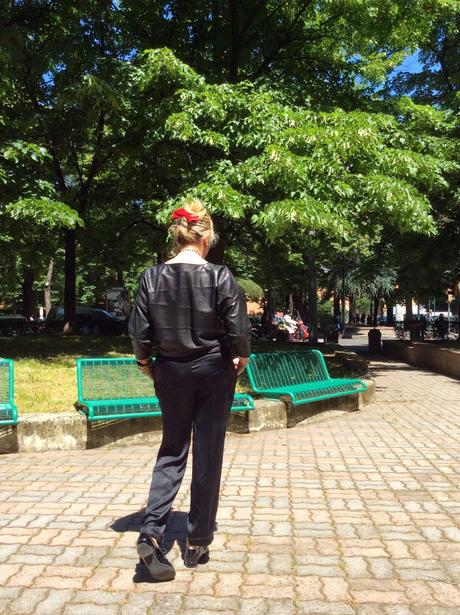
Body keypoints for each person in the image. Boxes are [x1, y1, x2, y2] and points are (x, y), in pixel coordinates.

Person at [129, 198, 251, 582]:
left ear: (177, 234)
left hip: (172, 372)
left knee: (172, 448)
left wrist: (145, 362)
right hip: (215, 372)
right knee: (208, 451)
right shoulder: (220, 276)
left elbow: (139, 331)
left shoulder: (151, 276)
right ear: (206, 236)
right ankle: (197, 543)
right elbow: (238, 329)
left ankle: (151, 531)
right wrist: (240, 357)